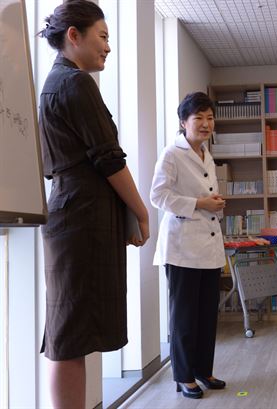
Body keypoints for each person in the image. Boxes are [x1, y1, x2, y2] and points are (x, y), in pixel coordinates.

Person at [37, 1, 150, 407]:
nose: (107, 47)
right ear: (74, 36)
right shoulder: (75, 83)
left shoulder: (60, 81)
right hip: (79, 217)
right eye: (102, 37)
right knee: (69, 336)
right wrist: (140, 210)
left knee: (72, 332)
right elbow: (108, 157)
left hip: (72, 212)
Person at [151, 92, 227, 399]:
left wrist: (214, 204)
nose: (206, 124)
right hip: (182, 248)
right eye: (198, 118)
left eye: (210, 117)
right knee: (183, 317)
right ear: (184, 122)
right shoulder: (172, 153)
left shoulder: (205, 153)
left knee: (207, 315)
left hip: (208, 247)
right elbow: (158, 196)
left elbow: (207, 197)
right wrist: (200, 203)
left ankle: (202, 370)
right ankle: (184, 376)